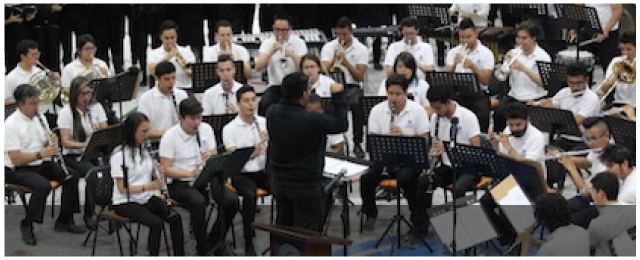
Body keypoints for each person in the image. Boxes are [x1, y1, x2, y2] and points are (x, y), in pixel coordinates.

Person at [266, 72, 348, 231]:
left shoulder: (272, 112)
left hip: (280, 183)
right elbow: (341, 124)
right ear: (304, 94)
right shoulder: (311, 120)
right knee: (306, 234)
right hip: (305, 185)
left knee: (284, 229)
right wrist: (338, 96)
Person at [5, 84, 86, 246]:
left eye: (37, 102)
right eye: (32, 103)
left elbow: (42, 142)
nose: (37, 107)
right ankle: (27, 224)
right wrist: (42, 153)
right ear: (20, 105)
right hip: (15, 169)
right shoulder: (10, 125)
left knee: (72, 177)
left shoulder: (38, 118)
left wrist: (51, 141)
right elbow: (15, 159)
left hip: (38, 162)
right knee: (43, 186)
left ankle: (64, 220)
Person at [159, 98, 238, 256]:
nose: (197, 123)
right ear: (181, 118)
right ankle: (202, 247)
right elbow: (166, 169)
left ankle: (215, 239)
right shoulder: (169, 137)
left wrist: (210, 156)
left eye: (199, 118)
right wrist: (189, 173)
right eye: (192, 119)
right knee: (198, 203)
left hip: (206, 176)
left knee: (231, 201)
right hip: (181, 182)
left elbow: (214, 154)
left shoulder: (206, 129)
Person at [361, 74, 431, 245]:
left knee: (406, 179)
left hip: (410, 160)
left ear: (405, 93)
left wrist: (405, 137)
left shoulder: (417, 110)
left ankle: (418, 223)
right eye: (390, 93)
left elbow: (424, 140)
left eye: (397, 94)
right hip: (386, 159)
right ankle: (371, 213)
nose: (393, 98)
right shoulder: (377, 111)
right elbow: (373, 141)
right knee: (366, 179)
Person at [110, 112, 184, 256]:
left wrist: (158, 173)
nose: (147, 135)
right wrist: (148, 187)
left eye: (148, 130)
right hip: (125, 201)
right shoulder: (119, 155)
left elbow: (150, 173)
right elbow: (122, 188)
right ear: (132, 131)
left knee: (175, 218)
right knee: (156, 223)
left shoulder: (144, 150)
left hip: (145, 197)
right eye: (143, 131)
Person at [222, 86, 269, 256]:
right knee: (250, 195)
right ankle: (248, 241)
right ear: (238, 104)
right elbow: (234, 160)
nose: (251, 104)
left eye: (253, 100)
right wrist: (254, 152)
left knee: (283, 187)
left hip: (264, 171)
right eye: (246, 101)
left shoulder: (264, 122)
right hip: (242, 174)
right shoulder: (230, 129)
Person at [57, 76, 108, 228]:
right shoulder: (67, 113)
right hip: (72, 155)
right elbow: (65, 141)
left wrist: (99, 133)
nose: (87, 97)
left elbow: (105, 130)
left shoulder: (96, 107)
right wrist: (84, 144)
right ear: (75, 95)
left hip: (91, 153)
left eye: (89, 93)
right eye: (83, 94)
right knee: (92, 173)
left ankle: (107, 208)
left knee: (109, 169)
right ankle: (88, 215)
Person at [319, 17, 368, 157]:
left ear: (351, 32)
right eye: (338, 34)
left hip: (351, 85)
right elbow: (323, 71)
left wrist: (346, 63)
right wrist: (334, 59)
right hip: (332, 83)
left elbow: (359, 77)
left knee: (357, 103)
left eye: (345, 34)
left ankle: (357, 142)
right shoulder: (329, 47)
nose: (341, 38)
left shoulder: (361, 49)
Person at [493, 21, 551, 132]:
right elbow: (503, 77)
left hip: (533, 98)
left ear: (533, 38)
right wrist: (506, 63)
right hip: (514, 97)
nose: (520, 41)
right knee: (498, 114)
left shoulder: (543, 57)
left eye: (524, 38)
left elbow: (544, 83)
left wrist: (523, 68)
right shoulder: (514, 53)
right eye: (518, 38)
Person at [533, 62, 600, 151]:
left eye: (579, 83)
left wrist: (554, 112)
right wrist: (538, 106)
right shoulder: (564, 92)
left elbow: (576, 122)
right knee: (545, 152)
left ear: (586, 80)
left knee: (566, 159)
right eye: (571, 83)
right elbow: (551, 105)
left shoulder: (592, 98)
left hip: (584, 140)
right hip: (564, 138)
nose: (575, 87)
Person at [445, 18, 495, 132]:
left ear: (476, 33)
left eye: (469, 37)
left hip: (478, 95)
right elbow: (447, 78)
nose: (465, 41)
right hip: (458, 92)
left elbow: (486, 81)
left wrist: (473, 67)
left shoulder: (486, 53)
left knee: (482, 113)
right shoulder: (453, 52)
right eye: (462, 37)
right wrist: (454, 65)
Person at [587, 172, 636, 256]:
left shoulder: (597, 225)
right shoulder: (635, 210)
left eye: (593, 192)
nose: (591, 196)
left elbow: (588, 245)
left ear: (601, 194)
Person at [137, 61, 189, 139]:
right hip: (157, 141)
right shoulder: (146, 99)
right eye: (167, 79)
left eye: (173, 78)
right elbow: (143, 130)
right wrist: (170, 134)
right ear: (157, 79)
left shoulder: (182, 95)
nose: (171, 83)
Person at [255, 13, 308, 87]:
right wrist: (270, 53)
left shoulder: (299, 42)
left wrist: (293, 56)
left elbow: (304, 69)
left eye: (284, 30)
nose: (280, 33)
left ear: (290, 29)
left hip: (296, 85)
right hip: (275, 85)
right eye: (277, 29)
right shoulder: (267, 43)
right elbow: (258, 67)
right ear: (273, 28)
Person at [147, 20, 196, 91]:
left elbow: (193, 74)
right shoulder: (154, 53)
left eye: (172, 38)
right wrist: (168, 57)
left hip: (185, 88)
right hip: (163, 89)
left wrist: (180, 59)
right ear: (161, 37)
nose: (170, 41)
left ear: (177, 36)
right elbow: (152, 71)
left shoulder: (186, 51)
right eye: (166, 38)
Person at [597, 31, 635, 114]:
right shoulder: (616, 61)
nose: (625, 53)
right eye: (622, 49)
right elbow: (603, 90)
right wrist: (616, 77)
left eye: (629, 49)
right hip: (618, 104)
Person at [5, 39, 51, 106]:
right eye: (33, 55)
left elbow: (47, 92)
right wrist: (22, 99)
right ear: (23, 57)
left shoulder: (40, 72)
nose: (36, 57)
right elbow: (4, 101)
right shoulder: (11, 77)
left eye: (37, 54)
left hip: (44, 111)